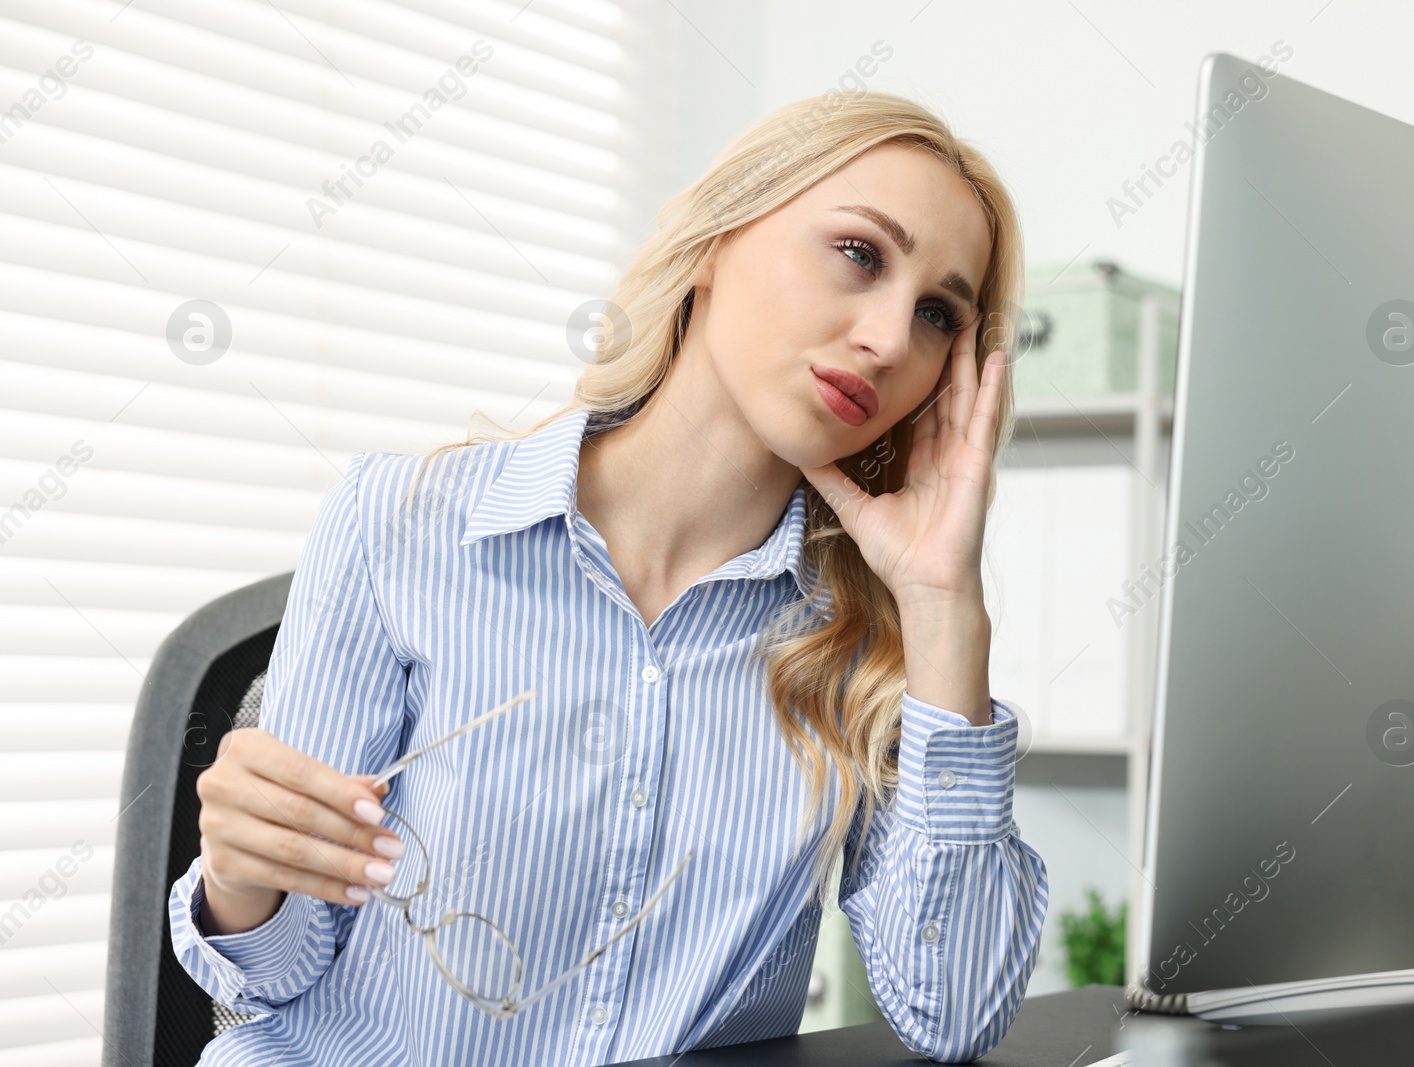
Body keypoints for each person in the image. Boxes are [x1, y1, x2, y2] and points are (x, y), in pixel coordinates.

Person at [168, 89, 1050, 1065]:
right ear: (721, 236)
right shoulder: (401, 522)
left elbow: (957, 1010)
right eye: (858, 253)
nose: (888, 338)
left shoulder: (867, 644)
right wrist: (241, 879)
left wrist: (941, 607)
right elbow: (274, 973)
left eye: (937, 313)